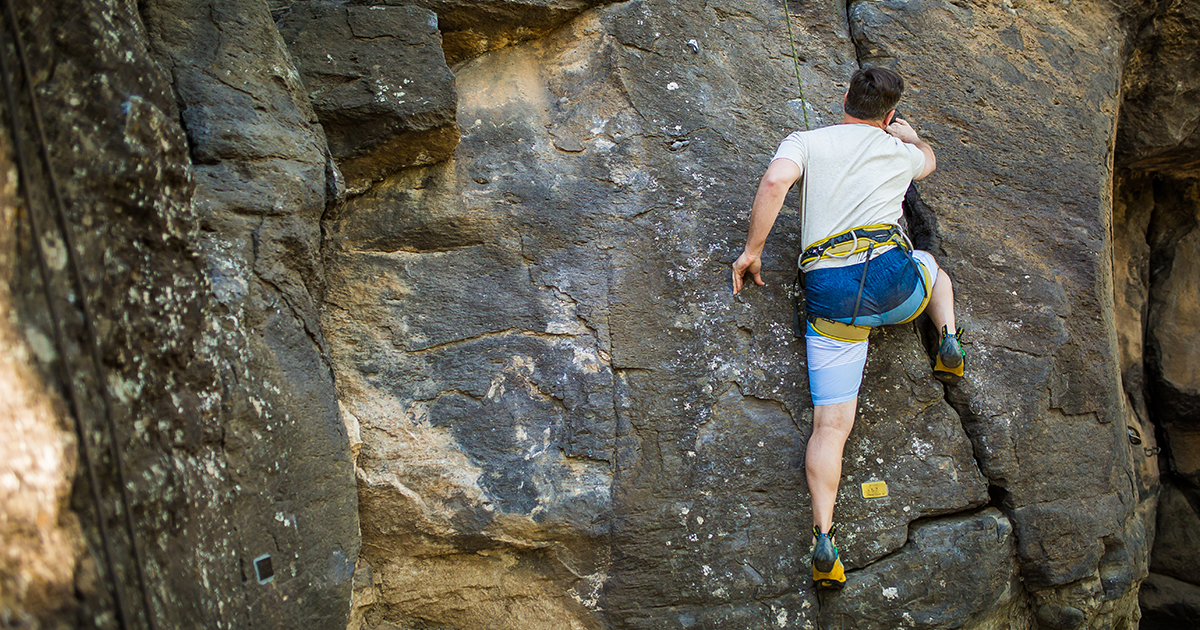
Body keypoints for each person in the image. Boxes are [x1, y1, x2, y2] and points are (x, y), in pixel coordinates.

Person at [730, 67, 965, 590]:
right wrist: (909, 136)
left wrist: (753, 252)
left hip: (834, 300)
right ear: (888, 114)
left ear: (844, 99)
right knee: (935, 270)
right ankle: (948, 339)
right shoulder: (899, 151)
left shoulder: (805, 141)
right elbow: (928, 161)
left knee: (830, 428)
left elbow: (775, 182)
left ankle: (824, 539)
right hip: (897, 288)